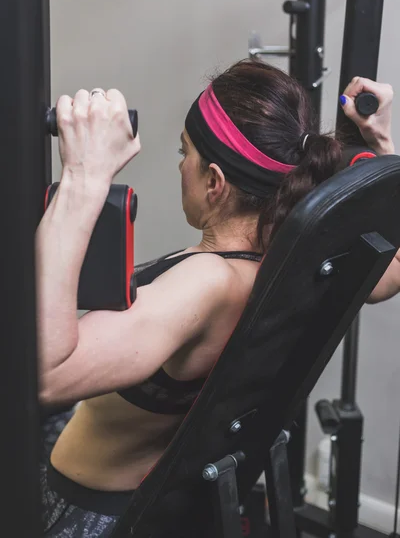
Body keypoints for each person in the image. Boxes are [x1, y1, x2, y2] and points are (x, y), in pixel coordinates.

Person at [36, 60, 397, 537]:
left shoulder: (206, 283)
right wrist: (381, 149)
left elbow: (43, 375)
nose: (179, 165)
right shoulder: (296, 256)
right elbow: (388, 274)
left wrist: (84, 179)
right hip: (121, 475)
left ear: (214, 182)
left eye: (183, 153)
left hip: (81, 511)